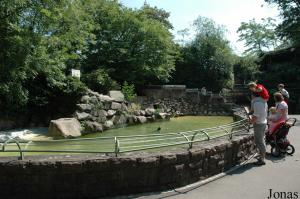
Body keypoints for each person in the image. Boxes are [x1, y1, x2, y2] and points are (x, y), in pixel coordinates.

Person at [250, 92, 268, 165]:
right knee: (261, 140)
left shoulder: (257, 103)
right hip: (263, 122)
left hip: (259, 124)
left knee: (259, 141)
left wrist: (250, 121)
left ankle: (262, 159)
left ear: (253, 95)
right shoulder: (263, 101)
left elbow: (256, 116)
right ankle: (262, 156)